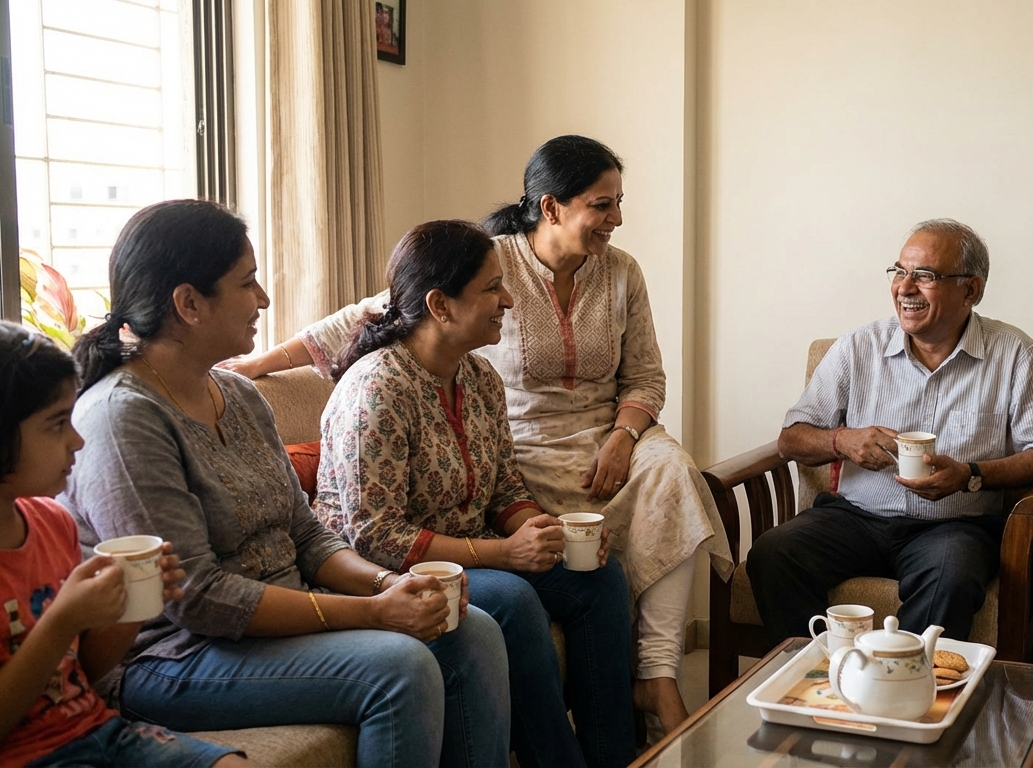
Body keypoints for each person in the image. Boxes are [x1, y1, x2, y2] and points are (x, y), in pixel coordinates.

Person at [224, 136, 733, 734]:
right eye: (602, 205)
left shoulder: (488, 370)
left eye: (618, 202)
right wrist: (261, 364)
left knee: (667, 480)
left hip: (600, 439)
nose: (616, 219)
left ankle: (652, 684)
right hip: (524, 450)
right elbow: (377, 312)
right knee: (524, 594)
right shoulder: (466, 279)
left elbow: (644, 375)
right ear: (551, 208)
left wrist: (616, 441)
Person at [61, 200, 512, 768]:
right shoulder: (122, 416)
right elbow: (196, 597)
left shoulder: (242, 396)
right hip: (176, 656)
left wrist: (385, 585)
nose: (265, 300)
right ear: (188, 303)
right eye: (248, 283)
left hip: (279, 620)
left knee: (469, 628)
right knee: (401, 668)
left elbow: (308, 535)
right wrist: (374, 614)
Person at [315, 219, 636, 768]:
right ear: (440, 305)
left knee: (599, 578)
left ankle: (617, 758)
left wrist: (541, 529)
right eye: (491, 288)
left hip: (476, 550)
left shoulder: (480, 378)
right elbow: (374, 536)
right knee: (512, 600)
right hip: (394, 569)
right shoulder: (377, 389)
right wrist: (503, 554)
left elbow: (503, 488)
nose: (508, 300)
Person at [747, 219, 1033, 644]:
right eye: (900, 271)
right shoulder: (858, 346)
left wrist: (971, 474)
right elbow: (790, 438)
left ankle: (904, 694)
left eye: (925, 276)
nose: (905, 287)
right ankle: (820, 680)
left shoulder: (1014, 354)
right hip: (855, 519)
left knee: (951, 577)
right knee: (774, 554)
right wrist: (841, 441)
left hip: (953, 526)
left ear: (970, 290)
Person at [0, 324, 245, 768]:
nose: (77, 441)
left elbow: (85, 673)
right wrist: (61, 621)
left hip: (100, 731)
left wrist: (134, 606)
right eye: (57, 425)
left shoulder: (52, 523)